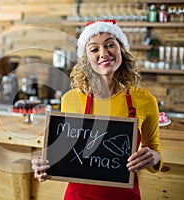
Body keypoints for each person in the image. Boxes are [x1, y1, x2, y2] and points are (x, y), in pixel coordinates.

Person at [31, 20, 163, 200]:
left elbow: (154, 149)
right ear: (86, 60)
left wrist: (153, 157)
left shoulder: (145, 100)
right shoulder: (70, 100)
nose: (103, 53)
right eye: (94, 49)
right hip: (78, 196)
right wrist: (44, 164)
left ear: (121, 50)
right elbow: (63, 152)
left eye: (110, 45)